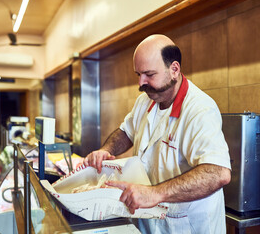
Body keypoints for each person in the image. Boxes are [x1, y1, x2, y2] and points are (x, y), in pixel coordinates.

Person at [84, 34, 231, 233]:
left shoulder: (200, 110)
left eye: (149, 74)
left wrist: (155, 193)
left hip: (187, 225)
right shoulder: (146, 100)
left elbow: (218, 173)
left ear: (174, 69)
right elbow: (126, 132)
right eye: (138, 74)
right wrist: (106, 149)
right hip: (149, 221)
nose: (141, 83)